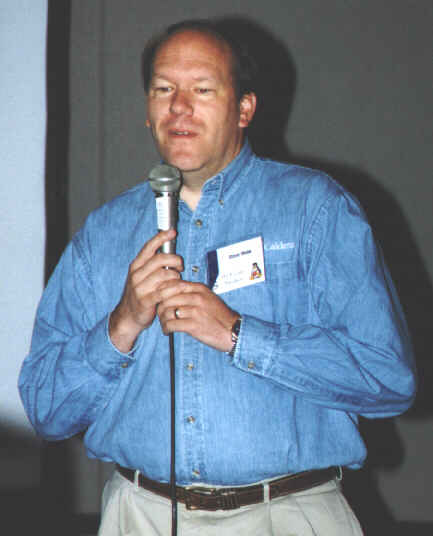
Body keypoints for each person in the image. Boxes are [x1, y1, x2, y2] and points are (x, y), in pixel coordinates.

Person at [19, 18, 416, 536]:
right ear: (147, 110)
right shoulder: (104, 233)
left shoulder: (314, 210)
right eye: (163, 89)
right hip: (140, 516)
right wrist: (121, 325)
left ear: (244, 108)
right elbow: (45, 409)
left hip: (287, 515)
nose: (179, 108)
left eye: (202, 90)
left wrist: (238, 335)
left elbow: (388, 379)